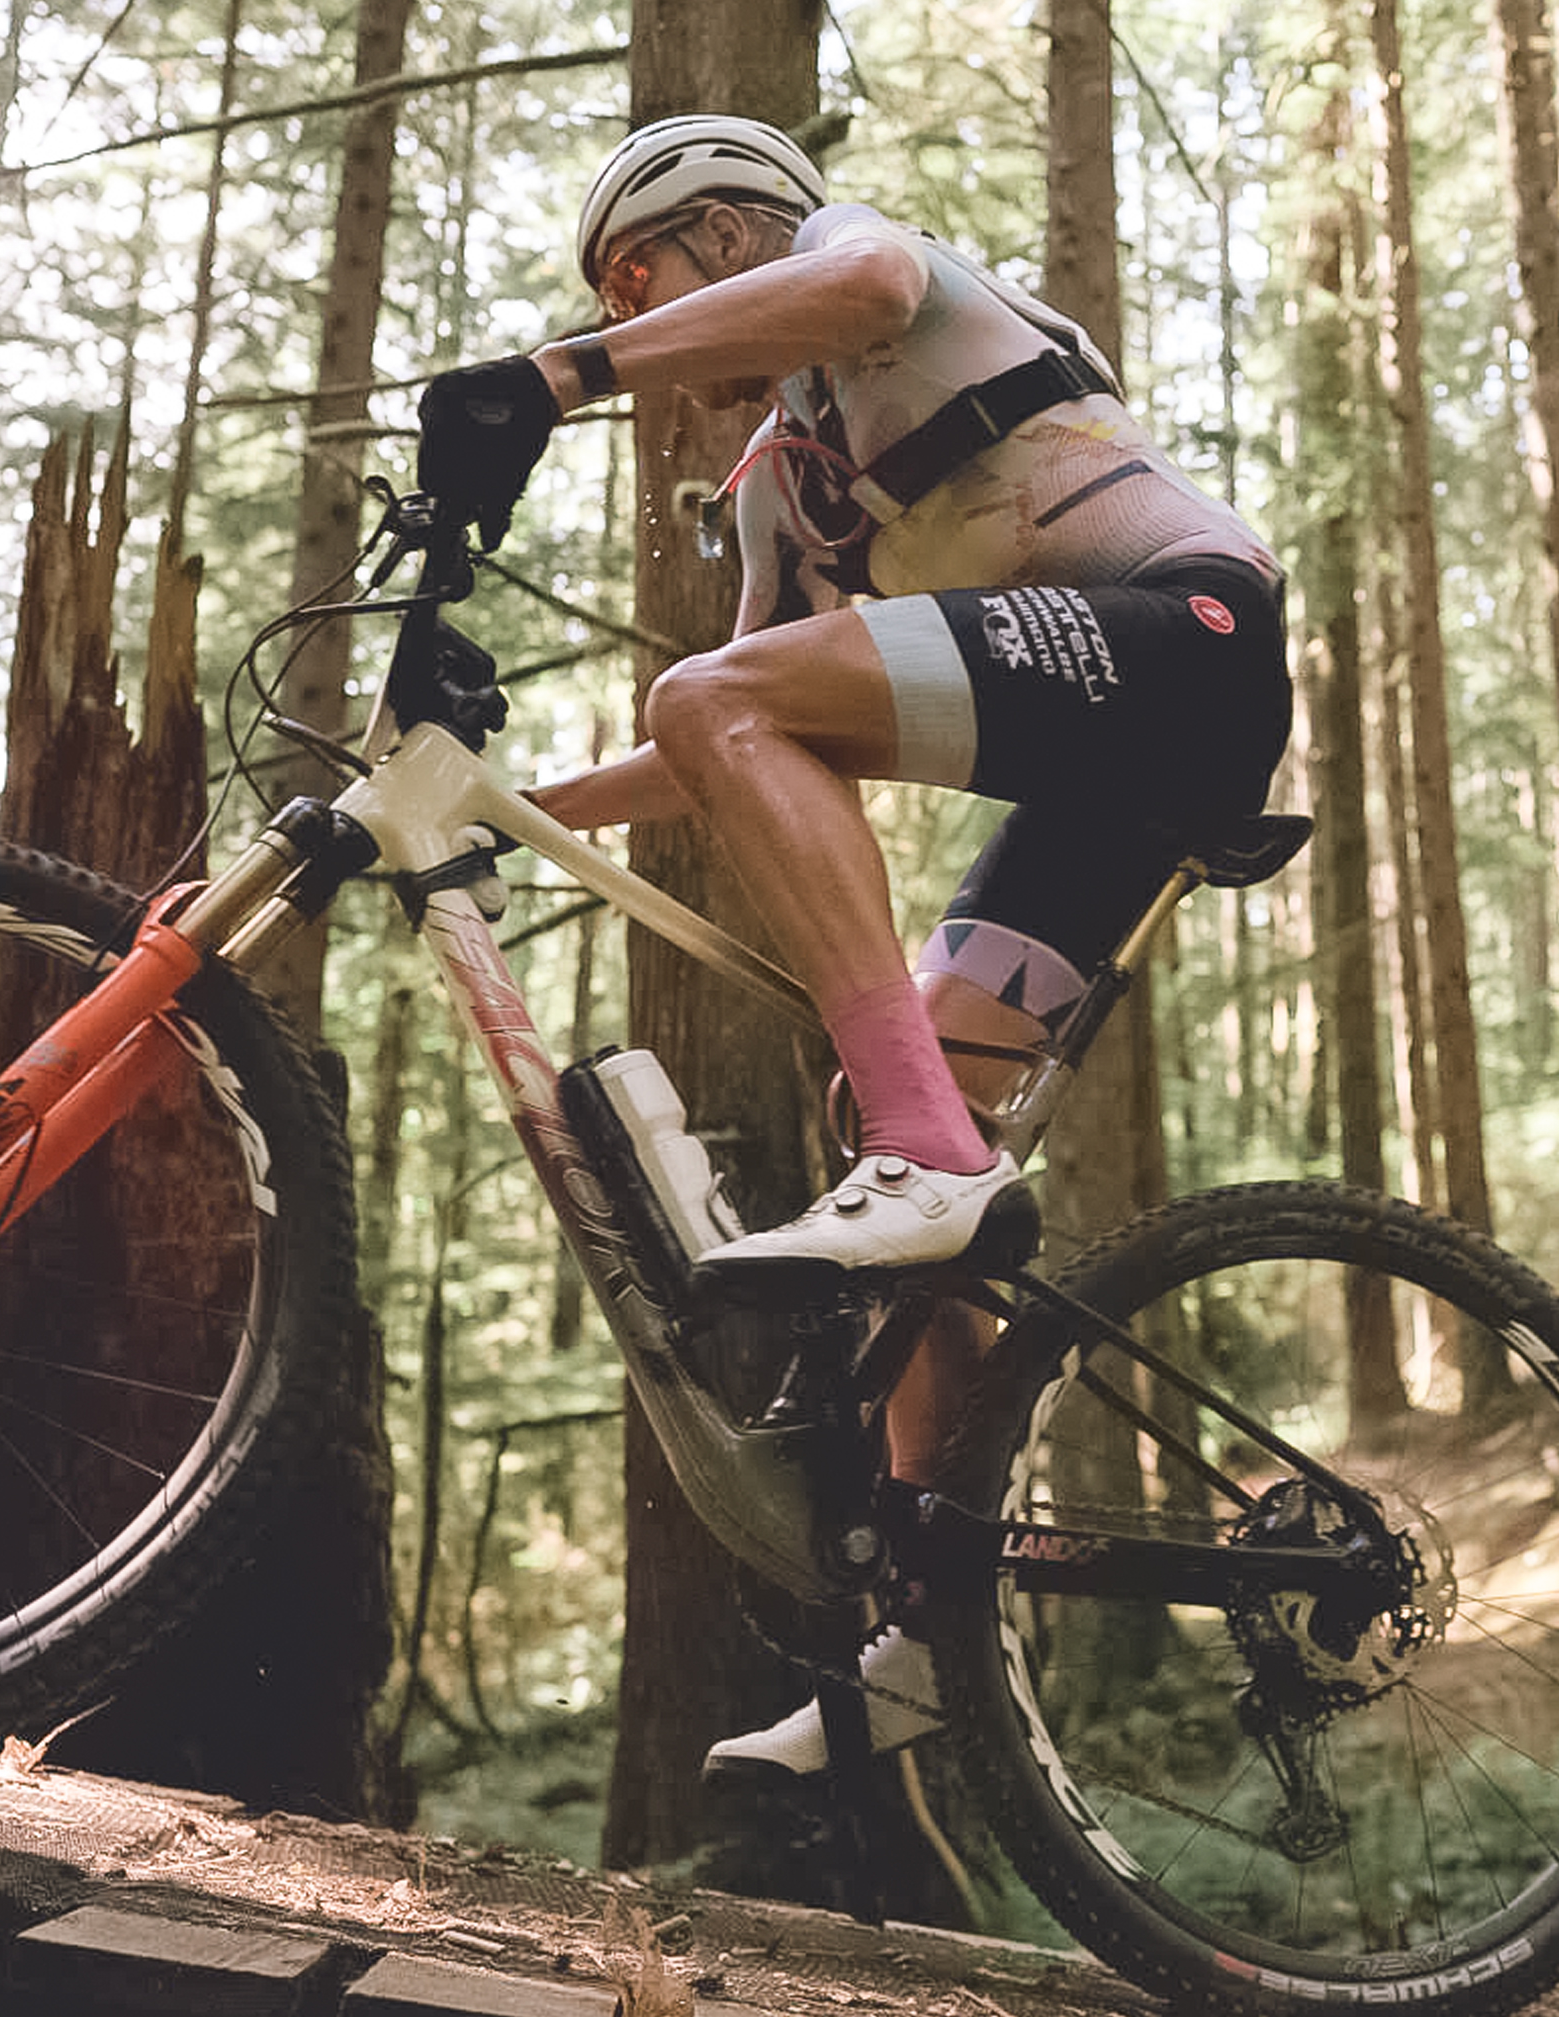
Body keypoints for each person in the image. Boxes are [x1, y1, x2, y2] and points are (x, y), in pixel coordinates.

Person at [413, 115, 1291, 1772]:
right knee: (903, 1120)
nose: (653, 332)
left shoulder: (861, 261)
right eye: (621, 308)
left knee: (913, 1138)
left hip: (1194, 638)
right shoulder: (780, 491)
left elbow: (866, 288)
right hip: (1104, 773)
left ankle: (927, 1160)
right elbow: (714, 740)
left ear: (723, 234)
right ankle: (942, 1626)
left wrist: (557, 375)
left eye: (645, 283)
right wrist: (505, 808)